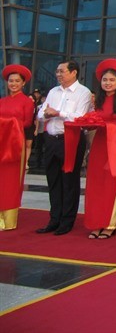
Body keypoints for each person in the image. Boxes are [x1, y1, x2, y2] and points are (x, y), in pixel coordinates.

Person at [83, 59, 116, 239]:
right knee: (96, 182)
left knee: (112, 183)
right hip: (99, 142)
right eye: (105, 80)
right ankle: (96, 222)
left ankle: (110, 224)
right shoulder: (96, 100)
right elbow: (92, 120)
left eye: (111, 80)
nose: (108, 83)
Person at [36, 60, 92, 235]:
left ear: (74, 72)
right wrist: (47, 113)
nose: (58, 74)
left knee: (69, 181)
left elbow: (80, 117)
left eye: (62, 71)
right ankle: (54, 219)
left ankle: (67, 221)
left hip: (71, 139)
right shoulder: (53, 91)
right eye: (57, 71)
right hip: (51, 140)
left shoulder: (83, 92)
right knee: (53, 181)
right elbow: (40, 113)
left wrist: (58, 113)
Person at [0, 64, 35, 230]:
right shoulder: (2, 101)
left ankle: (8, 220)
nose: (13, 83)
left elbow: (28, 122)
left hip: (15, 143)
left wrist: (8, 123)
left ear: (23, 83)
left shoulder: (27, 102)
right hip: (1, 143)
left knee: (12, 180)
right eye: (10, 81)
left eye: (16, 81)